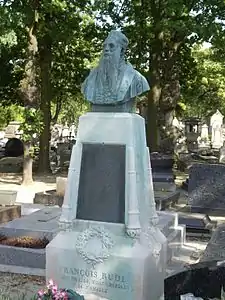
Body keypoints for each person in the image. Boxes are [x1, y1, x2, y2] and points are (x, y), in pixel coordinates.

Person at [81, 30, 150, 112]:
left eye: (111, 46)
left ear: (121, 51)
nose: (106, 49)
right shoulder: (90, 78)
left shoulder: (136, 79)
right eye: (104, 46)